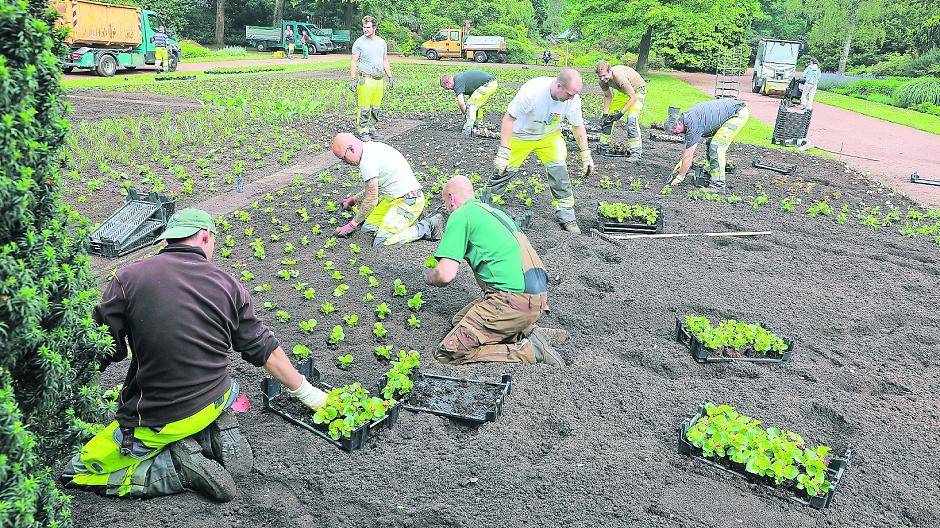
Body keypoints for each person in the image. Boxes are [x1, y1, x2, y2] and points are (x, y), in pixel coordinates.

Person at [60, 209, 328, 502]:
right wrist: (309, 395)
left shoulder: (127, 279)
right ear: (204, 236)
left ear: (168, 241)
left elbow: (101, 348)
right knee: (214, 379)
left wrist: (63, 382)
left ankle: (174, 469)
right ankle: (210, 430)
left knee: (76, 471)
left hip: (159, 415)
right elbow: (265, 349)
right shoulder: (229, 285)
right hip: (217, 398)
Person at [426, 175, 568, 365]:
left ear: (451, 198)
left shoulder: (461, 215)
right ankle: (529, 331)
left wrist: (430, 276)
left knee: (448, 354)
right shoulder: (495, 213)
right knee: (458, 321)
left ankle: (530, 351)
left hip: (511, 301)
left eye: (445, 202)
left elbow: (445, 275)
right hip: (538, 298)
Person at [484, 68, 594, 234]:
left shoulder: (572, 99)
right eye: (570, 94)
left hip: (549, 136)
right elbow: (508, 119)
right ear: (558, 86)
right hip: (521, 136)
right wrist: (504, 150)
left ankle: (567, 217)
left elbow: (578, 126)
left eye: (574, 95)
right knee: (503, 171)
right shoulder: (532, 92)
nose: (572, 98)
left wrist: (586, 154)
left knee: (559, 172)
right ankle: (484, 207)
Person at [331, 133, 443, 246]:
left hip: (409, 201)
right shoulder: (372, 148)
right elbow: (373, 189)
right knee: (368, 230)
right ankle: (406, 221)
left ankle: (428, 226)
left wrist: (352, 225)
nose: (344, 162)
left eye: (343, 158)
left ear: (351, 149)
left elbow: (371, 199)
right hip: (393, 200)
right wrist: (354, 200)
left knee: (382, 241)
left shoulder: (367, 161)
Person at [664, 98, 749, 192]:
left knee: (716, 146)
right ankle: (709, 173)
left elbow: (689, 155)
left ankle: (718, 185)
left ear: (679, 123)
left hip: (737, 114)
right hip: (729, 110)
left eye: (674, 131)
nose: (676, 133)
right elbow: (687, 147)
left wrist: (680, 176)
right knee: (710, 142)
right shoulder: (687, 118)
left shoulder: (693, 125)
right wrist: (681, 163)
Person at [350, 15, 393, 141]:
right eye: (364, 27)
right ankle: (362, 130)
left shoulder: (381, 42)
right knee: (364, 106)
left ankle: (372, 128)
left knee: (375, 106)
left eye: (368, 27)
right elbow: (353, 61)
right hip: (366, 79)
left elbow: (385, 60)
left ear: (374, 28)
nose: (365, 29)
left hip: (379, 79)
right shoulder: (359, 42)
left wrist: (390, 76)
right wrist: (352, 79)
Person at [595, 60, 647, 161]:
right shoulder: (602, 80)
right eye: (600, 76)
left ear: (610, 71)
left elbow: (633, 97)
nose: (602, 78)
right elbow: (607, 96)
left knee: (631, 119)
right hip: (622, 92)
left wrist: (620, 113)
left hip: (637, 91)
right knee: (609, 118)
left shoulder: (620, 78)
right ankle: (603, 146)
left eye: (604, 75)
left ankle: (636, 154)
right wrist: (605, 114)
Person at [439, 70, 498, 136]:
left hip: (488, 85)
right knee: (476, 104)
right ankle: (479, 124)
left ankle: (467, 130)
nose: (450, 89)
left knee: (471, 104)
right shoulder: (459, 78)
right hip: (491, 83)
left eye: (447, 88)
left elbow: (461, 103)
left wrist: (466, 114)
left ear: (447, 83)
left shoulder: (458, 82)